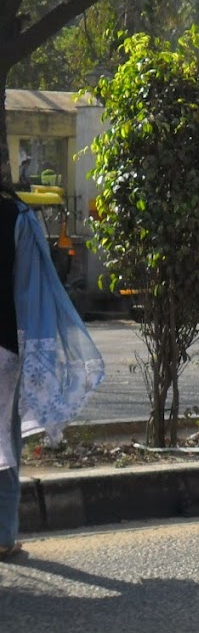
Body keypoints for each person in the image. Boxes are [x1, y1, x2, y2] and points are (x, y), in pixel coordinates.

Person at [1, 185, 105, 560]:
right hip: (4, 350)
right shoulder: (17, 217)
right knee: (4, 443)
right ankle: (3, 535)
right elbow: (31, 295)